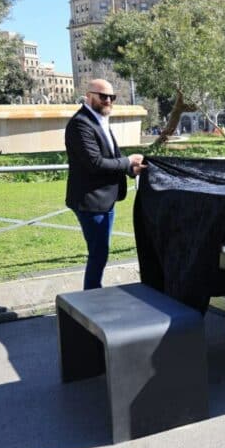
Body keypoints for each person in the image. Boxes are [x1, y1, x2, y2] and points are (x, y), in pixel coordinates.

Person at [65, 79, 146, 290]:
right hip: (91, 201)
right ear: (89, 96)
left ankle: (93, 295)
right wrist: (127, 161)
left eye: (112, 97)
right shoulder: (80, 123)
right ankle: (92, 297)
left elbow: (109, 158)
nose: (108, 100)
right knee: (99, 254)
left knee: (100, 253)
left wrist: (130, 169)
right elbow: (95, 163)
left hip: (104, 200)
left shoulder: (98, 120)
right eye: (103, 96)